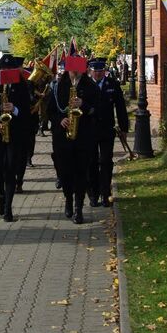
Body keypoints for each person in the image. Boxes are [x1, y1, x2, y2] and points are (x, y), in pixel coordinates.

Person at [47, 57, 97, 224]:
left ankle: (78, 208)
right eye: (72, 71)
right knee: (65, 173)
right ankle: (68, 199)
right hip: (62, 137)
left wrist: (84, 104)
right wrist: (60, 120)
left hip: (84, 137)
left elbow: (98, 109)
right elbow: (50, 111)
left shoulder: (90, 86)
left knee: (81, 172)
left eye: (77, 71)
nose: (74, 74)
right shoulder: (58, 86)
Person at [0, 54, 30, 222]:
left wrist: (15, 109)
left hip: (14, 134)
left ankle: (8, 207)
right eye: (4, 69)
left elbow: (27, 110)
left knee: (10, 170)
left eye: (11, 69)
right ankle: (1, 195)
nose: (7, 71)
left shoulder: (22, 86)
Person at [87, 58, 130, 207]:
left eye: (101, 71)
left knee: (106, 161)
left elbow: (120, 107)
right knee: (91, 162)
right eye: (95, 71)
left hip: (106, 129)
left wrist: (124, 128)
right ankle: (93, 194)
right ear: (90, 71)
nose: (98, 74)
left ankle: (105, 193)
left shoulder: (112, 84)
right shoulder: (85, 85)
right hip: (89, 130)